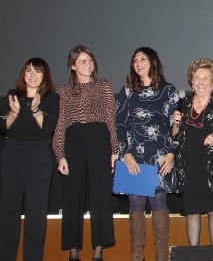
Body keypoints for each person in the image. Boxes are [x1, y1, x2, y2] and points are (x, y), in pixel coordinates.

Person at [53, 45, 118, 261]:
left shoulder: (104, 85)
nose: (88, 64)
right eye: (82, 61)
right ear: (72, 65)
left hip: (99, 140)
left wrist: (114, 149)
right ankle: (73, 252)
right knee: (72, 196)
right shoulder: (63, 90)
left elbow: (110, 119)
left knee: (100, 195)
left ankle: (98, 250)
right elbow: (61, 123)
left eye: (90, 60)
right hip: (73, 142)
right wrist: (59, 154)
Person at [116, 47, 179, 260]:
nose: (138, 63)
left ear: (153, 62)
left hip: (160, 155)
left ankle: (161, 256)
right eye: (135, 60)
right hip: (133, 155)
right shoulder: (126, 92)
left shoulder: (168, 90)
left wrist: (171, 153)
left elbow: (175, 125)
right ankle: (137, 256)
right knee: (136, 202)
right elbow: (120, 125)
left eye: (143, 59)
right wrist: (126, 153)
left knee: (159, 201)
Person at [0, 57, 59, 260]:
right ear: (23, 74)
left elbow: (48, 127)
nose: (32, 75)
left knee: (36, 216)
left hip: (38, 160)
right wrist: (14, 114)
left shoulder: (51, 98)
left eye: (37, 71)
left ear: (45, 76)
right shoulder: (12, 96)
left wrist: (35, 110)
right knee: (8, 213)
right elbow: (3, 127)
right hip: (12, 158)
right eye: (28, 70)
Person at [171, 58, 213, 246]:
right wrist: (174, 124)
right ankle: (194, 254)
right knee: (192, 211)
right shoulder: (185, 101)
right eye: (196, 78)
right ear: (191, 80)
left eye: (205, 78)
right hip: (189, 163)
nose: (200, 82)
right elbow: (175, 136)